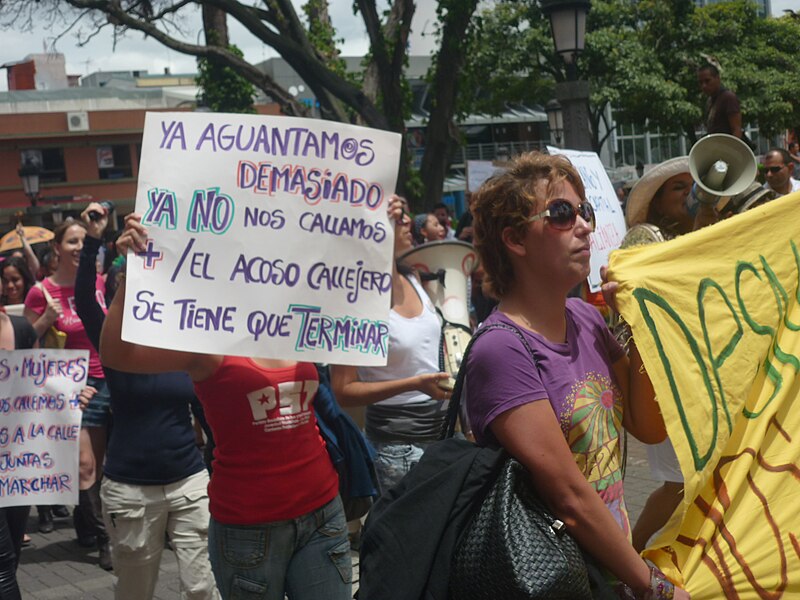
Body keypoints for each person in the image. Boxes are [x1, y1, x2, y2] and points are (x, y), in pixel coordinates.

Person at [463, 152, 689, 599]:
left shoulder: (585, 318)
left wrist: (641, 324)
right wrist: (651, 586)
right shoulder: (501, 349)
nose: (584, 225)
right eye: (562, 214)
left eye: (583, 211)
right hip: (549, 578)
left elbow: (647, 426)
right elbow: (568, 498)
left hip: (609, 567)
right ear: (515, 239)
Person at [100, 212, 356, 600]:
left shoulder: (293, 318)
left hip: (323, 512)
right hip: (248, 528)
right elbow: (119, 354)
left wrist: (372, 229)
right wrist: (131, 273)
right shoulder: (208, 336)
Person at [73, 202, 218, 599]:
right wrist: (96, 242)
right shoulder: (117, 349)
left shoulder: (187, 344)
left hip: (190, 482)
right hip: (131, 492)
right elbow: (84, 301)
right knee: (136, 591)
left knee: (203, 587)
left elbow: (207, 413)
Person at [330, 198, 453, 496]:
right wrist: (414, 384)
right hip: (396, 451)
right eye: (398, 217)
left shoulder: (413, 276)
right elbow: (344, 391)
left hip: (441, 439)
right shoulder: (353, 296)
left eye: (406, 213)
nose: (409, 221)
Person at [23, 218, 113, 570]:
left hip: (108, 381)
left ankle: (85, 522)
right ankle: (106, 540)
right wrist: (46, 318)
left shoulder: (99, 283)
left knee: (100, 466)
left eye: (84, 241)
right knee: (85, 464)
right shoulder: (39, 291)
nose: (79, 247)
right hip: (71, 386)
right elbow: (24, 345)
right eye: (72, 241)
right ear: (56, 248)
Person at [0, 280, 37, 600]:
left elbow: (40, 383)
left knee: (12, 548)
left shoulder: (22, 328)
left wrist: (70, 397)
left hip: (18, 461)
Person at [697, 63, 742, 139]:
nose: (704, 86)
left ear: (717, 78)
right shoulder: (710, 101)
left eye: (707, 81)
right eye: (700, 83)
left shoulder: (728, 98)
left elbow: (736, 129)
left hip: (728, 147)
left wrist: (732, 150)